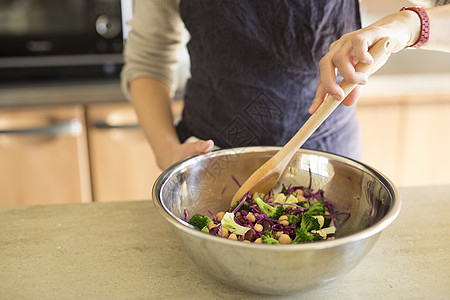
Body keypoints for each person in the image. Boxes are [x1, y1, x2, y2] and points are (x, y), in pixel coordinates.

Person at [121, 0, 450, 171]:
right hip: (211, 155)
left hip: (327, 155)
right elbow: (149, 57)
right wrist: (166, 151)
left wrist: (407, 24)